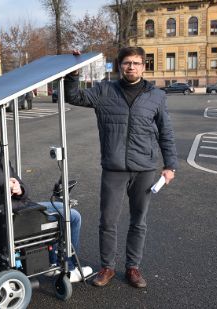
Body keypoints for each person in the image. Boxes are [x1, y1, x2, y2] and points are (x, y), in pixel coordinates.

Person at [64, 46, 178, 288]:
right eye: (127, 63)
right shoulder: (105, 91)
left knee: (139, 220)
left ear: (144, 66)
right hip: (114, 168)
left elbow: (166, 133)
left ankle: (133, 267)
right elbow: (74, 97)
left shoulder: (156, 96)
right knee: (107, 221)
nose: (131, 67)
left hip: (145, 168)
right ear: (119, 66)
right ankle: (107, 267)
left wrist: (170, 165)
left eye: (136, 63)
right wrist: (73, 74)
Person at [0, 112, 92, 283]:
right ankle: (70, 269)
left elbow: (22, 186)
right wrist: (4, 184)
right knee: (73, 217)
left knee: (63, 211)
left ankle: (52, 262)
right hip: (8, 214)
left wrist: (18, 188)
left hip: (16, 205)